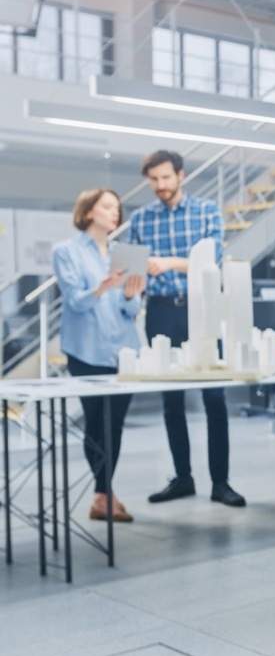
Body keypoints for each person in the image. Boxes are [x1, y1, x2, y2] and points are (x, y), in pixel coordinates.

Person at [127, 150, 245, 508]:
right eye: (154, 180)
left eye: (166, 178)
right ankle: (182, 478)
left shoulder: (206, 211)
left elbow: (213, 261)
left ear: (180, 175)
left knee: (214, 398)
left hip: (202, 309)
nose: (160, 186)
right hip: (160, 312)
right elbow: (132, 270)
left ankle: (221, 483)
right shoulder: (140, 219)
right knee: (171, 400)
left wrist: (167, 264)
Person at [52, 188, 146, 522]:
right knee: (95, 423)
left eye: (117, 208)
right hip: (85, 350)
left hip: (124, 349)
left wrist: (132, 294)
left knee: (115, 425)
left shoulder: (123, 253)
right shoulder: (65, 251)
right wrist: (103, 287)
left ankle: (102, 495)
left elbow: (129, 308)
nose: (114, 212)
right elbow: (75, 302)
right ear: (88, 211)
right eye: (107, 206)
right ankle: (104, 494)